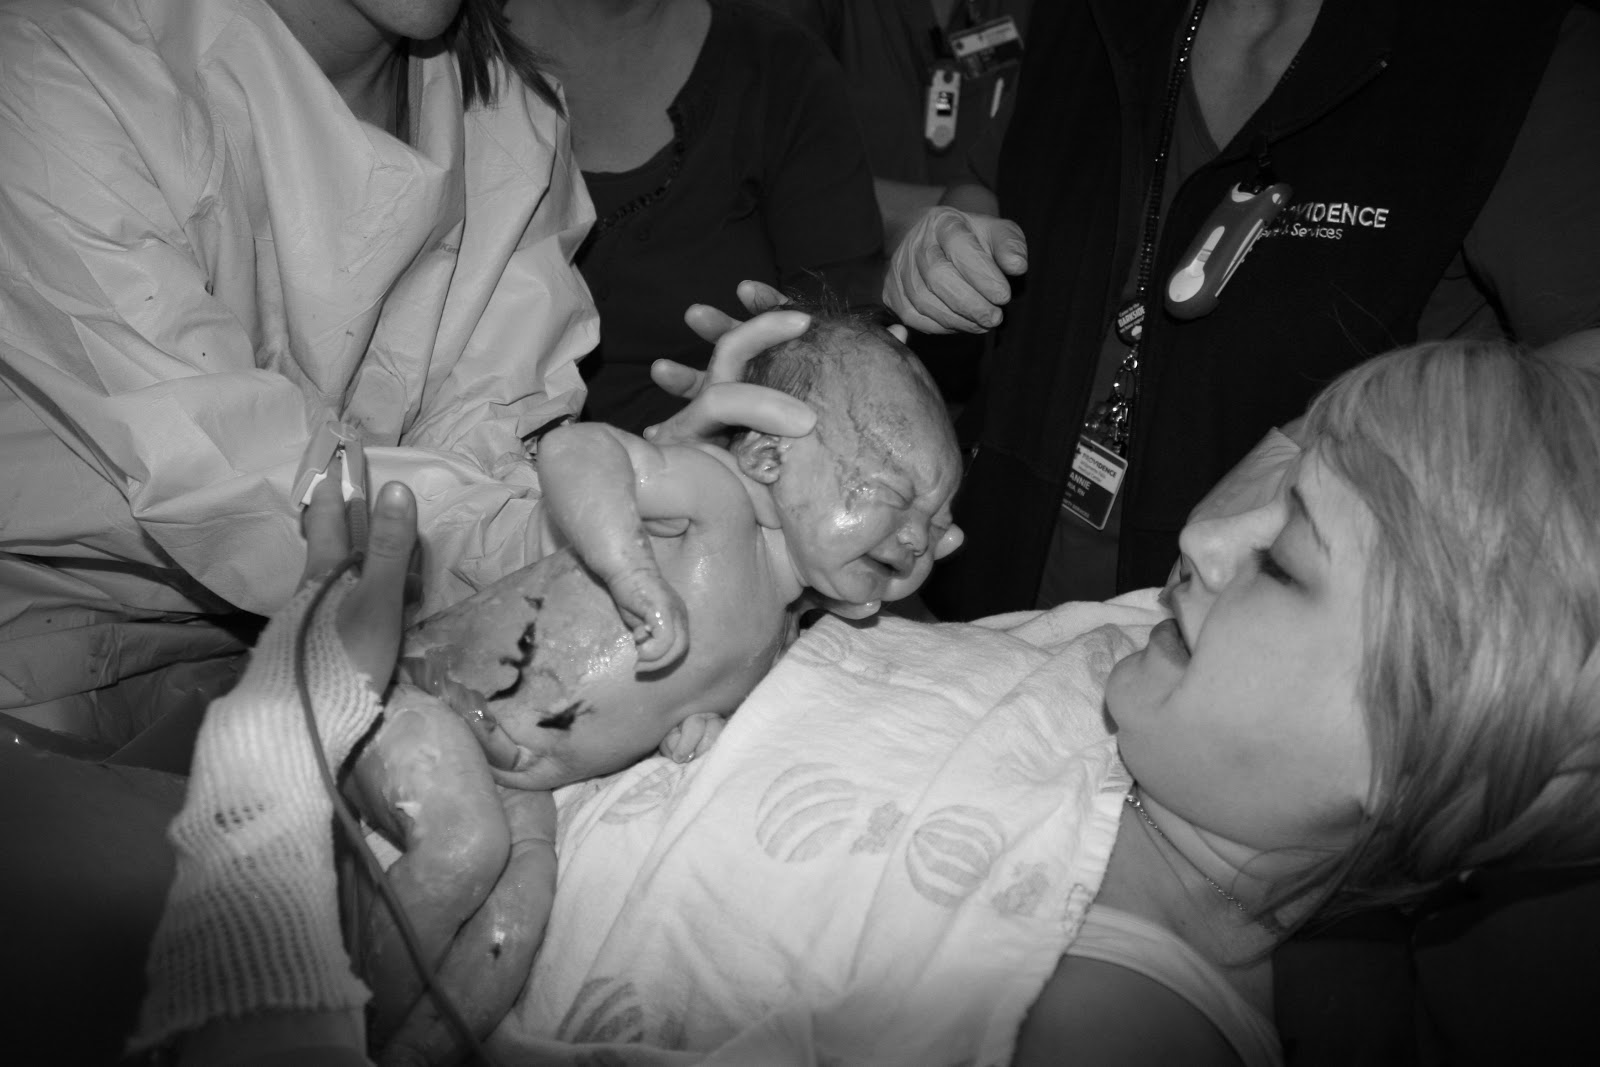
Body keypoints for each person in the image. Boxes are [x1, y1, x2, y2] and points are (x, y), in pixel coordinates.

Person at [112, 328, 1599, 1067]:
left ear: (1429, 754)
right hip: (322, 783)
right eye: (1266, 476)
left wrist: (292, 696)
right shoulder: (1126, 651)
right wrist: (733, 491)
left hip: (299, 889)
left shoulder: (1106, 1021)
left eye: (1282, 560)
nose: (1201, 542)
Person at [347, 304, 964, 1059]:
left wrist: (700, 723)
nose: (915, 537)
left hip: (518, 782)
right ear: (768, 456)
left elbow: (684, 698)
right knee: (465, 849)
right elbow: (577, 451)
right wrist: (625, 565)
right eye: (892, 492)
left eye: (937, 522)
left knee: (514, 921)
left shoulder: (778, 634)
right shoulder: (716, 504)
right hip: (411, 698)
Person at [0, 0, 597, 751]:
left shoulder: (511, 111)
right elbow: (221, 462)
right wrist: (568, 539)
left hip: (358, 648)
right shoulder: (55, 59)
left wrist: (609, 506)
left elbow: (493, 428)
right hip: (45, 657)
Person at [880, 0, 1600, 620]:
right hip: (996, 611)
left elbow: (1586, 375)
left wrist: (1320, 445)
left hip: (1260, 652)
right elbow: (989, 185)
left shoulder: (1519, 52)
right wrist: (947, 243)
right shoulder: (1087, 15)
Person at [503, 0, 884, 435]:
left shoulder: (781, 67)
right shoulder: (447, 59)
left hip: (721, 464)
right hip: (469, 465)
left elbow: (847, 351)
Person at [754, 0, 1034, 411]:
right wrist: (948, 221)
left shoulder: (1052, 17)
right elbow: (765, 168)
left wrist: (965, 218)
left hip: (981, 354)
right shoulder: (795, 20)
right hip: (834, 334)